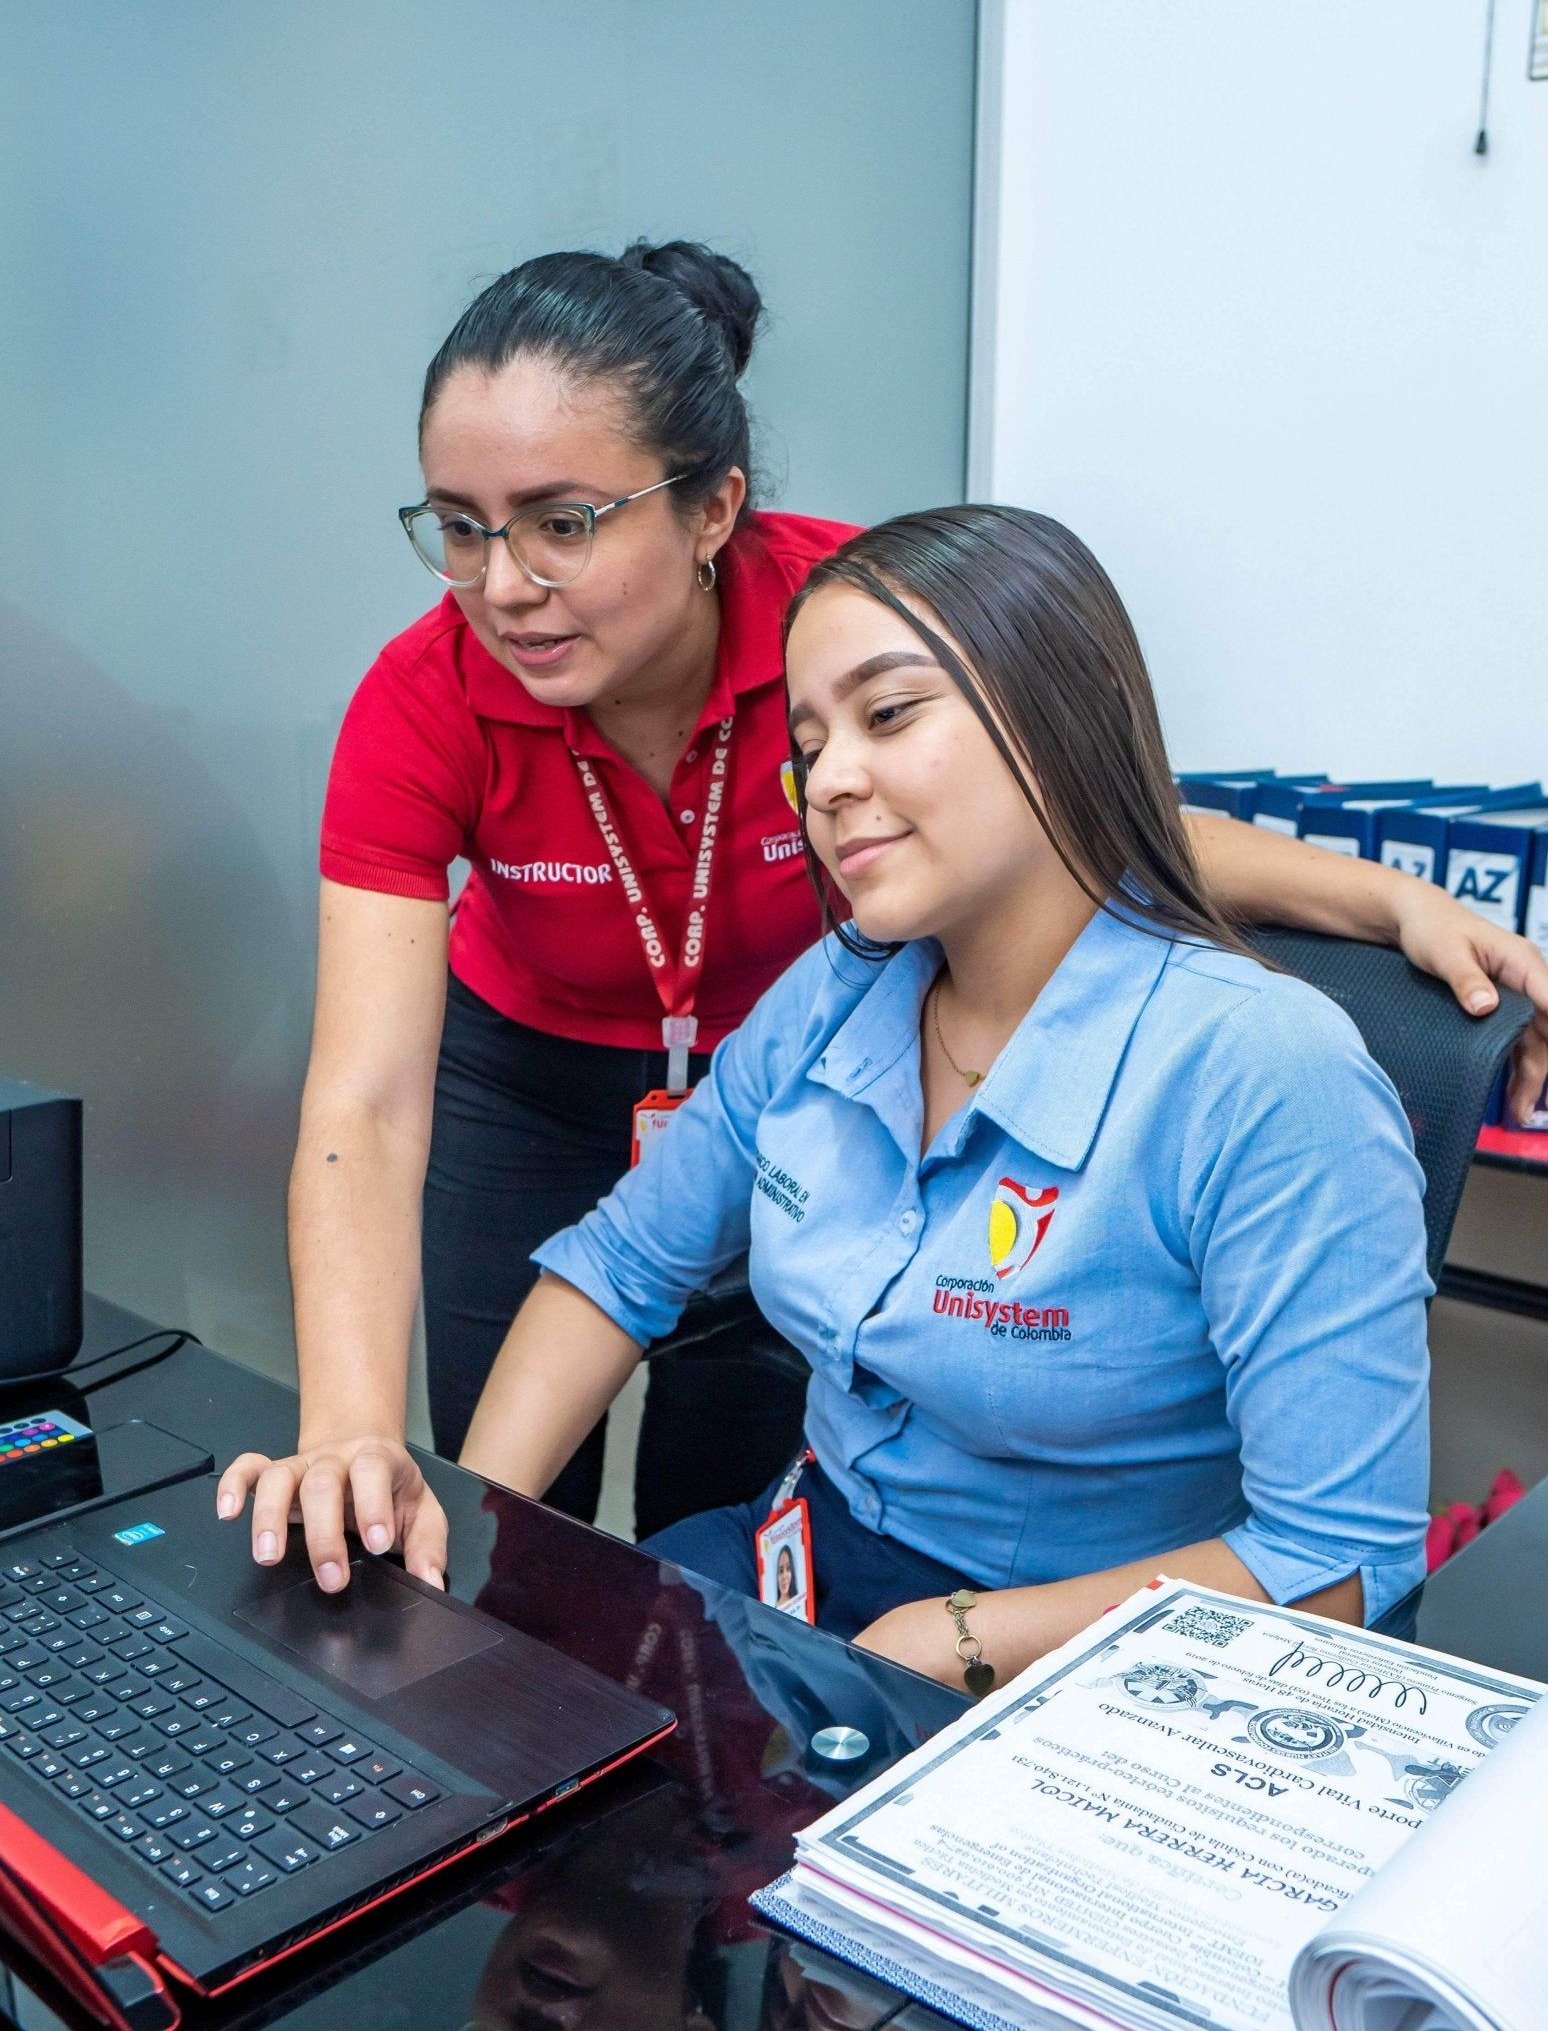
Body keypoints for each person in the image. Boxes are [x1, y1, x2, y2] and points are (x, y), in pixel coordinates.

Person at [218, 242, 1548, 1596]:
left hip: (787, 1116)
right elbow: (380, 1112)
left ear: (711, 511)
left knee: (725, 1457)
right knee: (545, 1536)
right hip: (554, 1069)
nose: (501, 583)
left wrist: (1395, 900)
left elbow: (1077, 814)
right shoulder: (450, 707)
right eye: (459, 526)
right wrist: (391, 1484)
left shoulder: (853, 621)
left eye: (561, 522)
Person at [452, 504, 1438, 1688]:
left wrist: (961, 1636)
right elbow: (618, 1267)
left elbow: (1335, 1559)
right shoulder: (836, 991)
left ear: (1055, 718)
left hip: (1089, 1652)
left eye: (889, 713)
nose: (829, 781)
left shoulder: (1265, 1069)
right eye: (810, 742)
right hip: (801, 1562)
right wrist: (468, 1553)